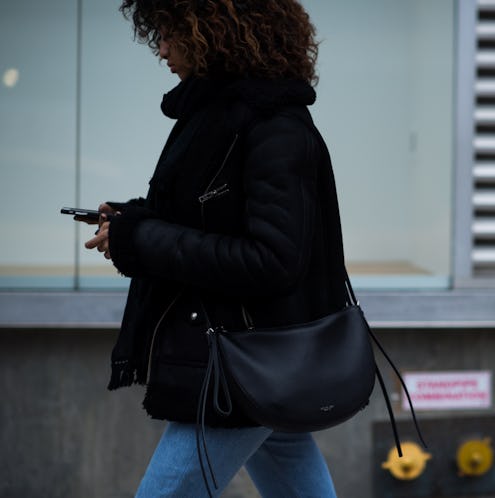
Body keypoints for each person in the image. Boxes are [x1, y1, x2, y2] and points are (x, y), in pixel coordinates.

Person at [81, 1, 344, 496]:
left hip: (243, 362)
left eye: (169, 33)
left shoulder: (273, 127)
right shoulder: (218, 119)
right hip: (255, 362)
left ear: (213, 33)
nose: (160, 49)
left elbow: (272, 259)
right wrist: (131, 219)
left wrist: (139, 238)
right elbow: (204, 215)